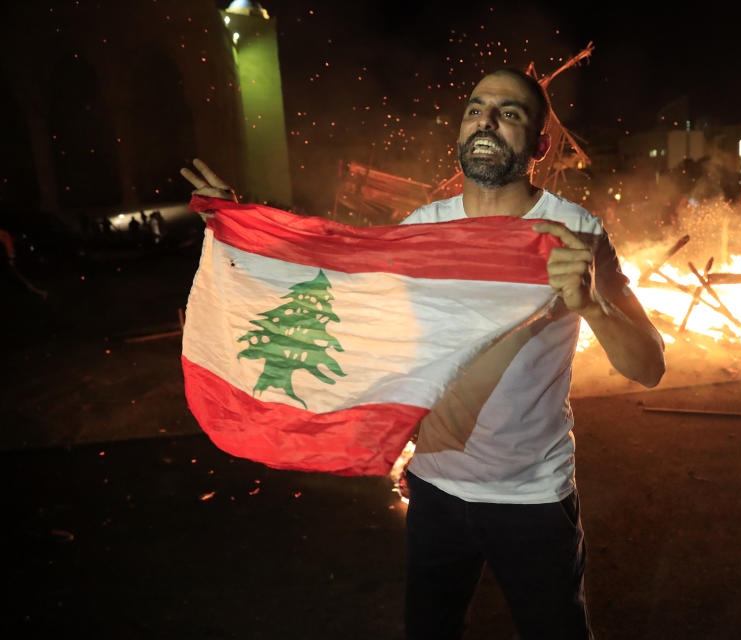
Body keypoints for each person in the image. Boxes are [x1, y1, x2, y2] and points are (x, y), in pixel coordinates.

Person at [181, 68, 665, 639]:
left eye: (509, 113)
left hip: (531, 495)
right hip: (436, 489)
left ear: (541, 144)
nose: (486, 121)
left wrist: (591, 306)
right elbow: (341, 308)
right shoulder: (421, 232)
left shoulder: (573, 230)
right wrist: (246, 237)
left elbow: (649, 366)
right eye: (475, 109)